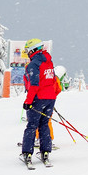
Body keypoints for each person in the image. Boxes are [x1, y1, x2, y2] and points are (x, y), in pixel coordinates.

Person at [20, 38, 59, 167]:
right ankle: (45, 152)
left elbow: (34, 85)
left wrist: (28, 101)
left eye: (28, 51)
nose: (28, 53)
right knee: (44, 125)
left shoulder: (34, 64)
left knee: (32, 125)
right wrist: (51, 97)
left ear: (33, 50)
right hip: (50, 99)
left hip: (38, 99)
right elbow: (53, 80)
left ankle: (27, 153)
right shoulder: (48, 61)